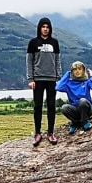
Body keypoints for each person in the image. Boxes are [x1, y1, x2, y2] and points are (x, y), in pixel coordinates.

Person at [26, 17, 62, 147]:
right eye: (43, 27)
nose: (45, 29)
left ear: (50, 29)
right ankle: (37, 133)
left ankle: (51, 133)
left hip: (52, 79)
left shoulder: (55, 43)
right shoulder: (33, 42)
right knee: (38, 106)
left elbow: (58, 61)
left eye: (47, 27)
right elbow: (29, 61)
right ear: (39, 28)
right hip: (38, 79)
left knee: (52, 106)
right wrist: (31, 79)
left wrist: (59, 78)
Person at [56, 61, 92, 134]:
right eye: (75, 69)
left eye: (79, 69)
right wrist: (67, 74)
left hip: (87, 108)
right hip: (75, 109)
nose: (77, 71)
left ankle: (85, 121)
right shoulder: (68, 83)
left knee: (82, 101)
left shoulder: (87, 81)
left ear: (83, 70)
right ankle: (75, 123)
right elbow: (58, 87)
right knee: (64, 107)